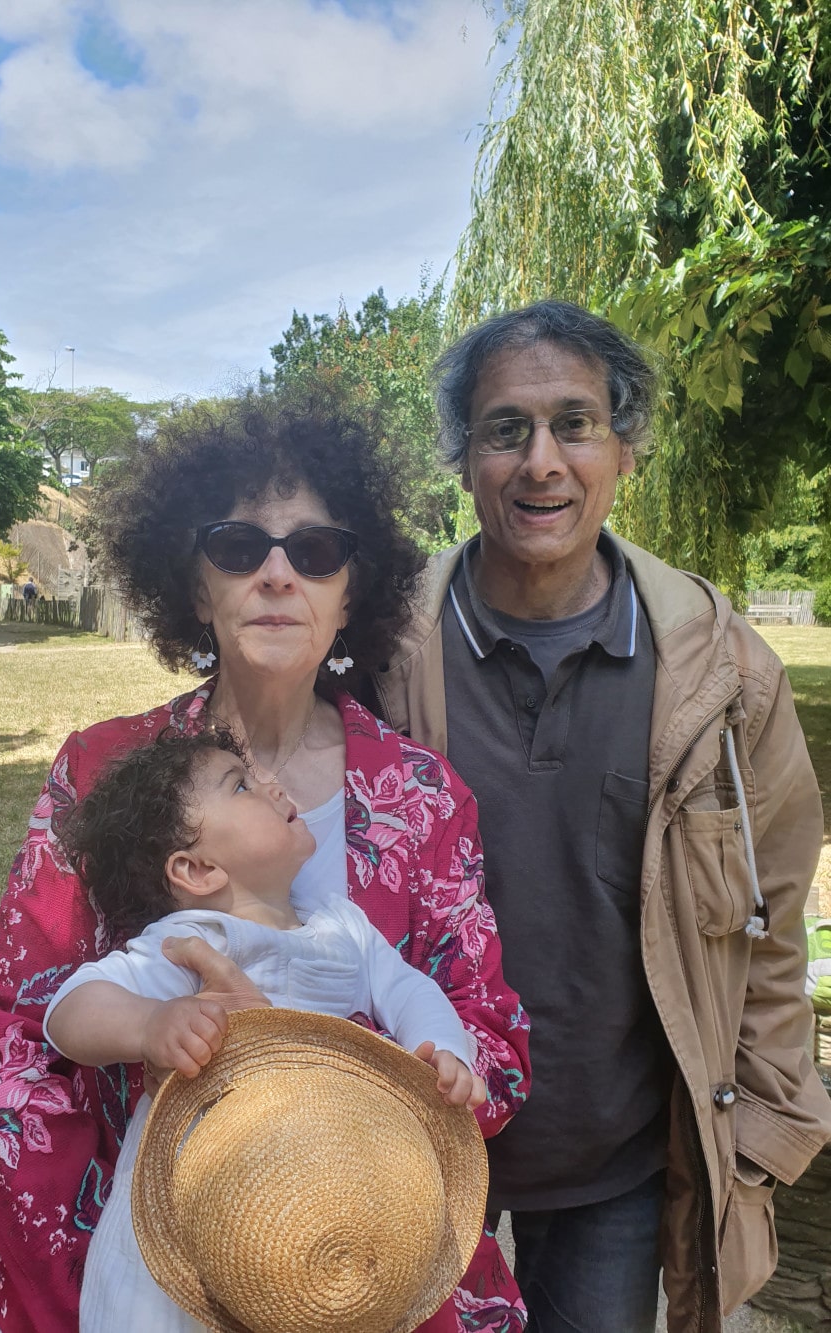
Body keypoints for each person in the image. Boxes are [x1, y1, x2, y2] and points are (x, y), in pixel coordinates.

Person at [0, 388, 531, 1333]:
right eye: (236, 545)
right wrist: (95, 1276)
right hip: (125, 1260)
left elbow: (490, 1039)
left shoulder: (426, 799)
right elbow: (4, 1040)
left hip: (345, 1266)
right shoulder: (102, 773)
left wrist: (314, 1081)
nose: (275, 574)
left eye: (314, 550)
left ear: (352, 590)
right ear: (193, 585)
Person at [371, 299, 831, 1333]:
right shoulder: (381, 656)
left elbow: (769, 921)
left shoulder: (721, 674)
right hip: (414, 1139)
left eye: (573, 423)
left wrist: (759, 1125)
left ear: (624, 449)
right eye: (505, 430)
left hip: (617, 1161)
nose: (541, 460)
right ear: (464, 460)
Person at [45, 726, 486, 1331]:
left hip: (320, 1193)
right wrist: (151, 1023)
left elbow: (408, 987)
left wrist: (439, 1050)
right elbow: (70, 1008)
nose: (272, 784)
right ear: (197, 870)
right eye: (243, 785)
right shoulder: (193, 942)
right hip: (199, 1204)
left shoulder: (341, 925)